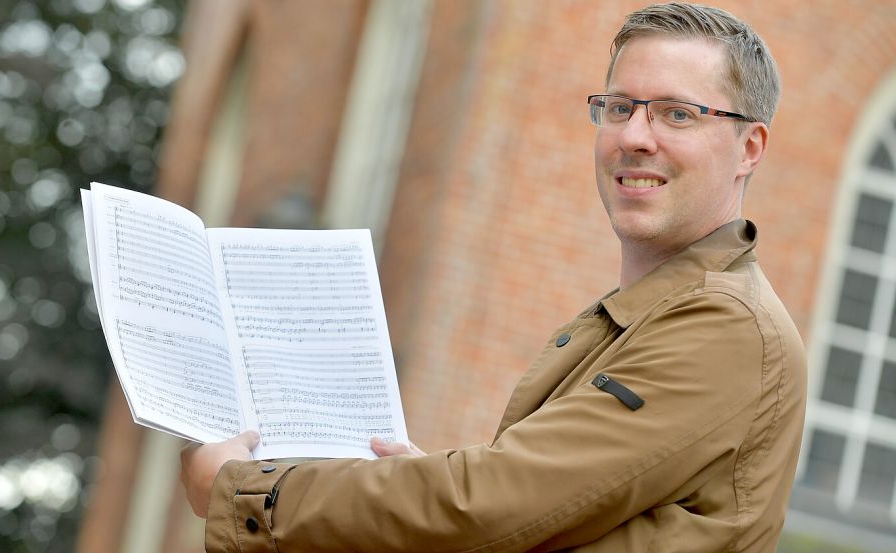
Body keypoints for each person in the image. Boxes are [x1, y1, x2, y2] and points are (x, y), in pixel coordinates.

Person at [180, 3, 807, 552]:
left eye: (677, 114)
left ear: (750, 147)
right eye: (620, 108)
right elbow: (523, 511)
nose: (635, 137)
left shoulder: (725, 325)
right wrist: (428, 494)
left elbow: (489, 504)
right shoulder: (639, 317)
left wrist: (244, 493)